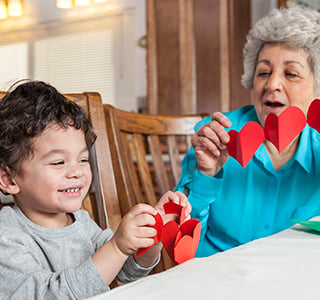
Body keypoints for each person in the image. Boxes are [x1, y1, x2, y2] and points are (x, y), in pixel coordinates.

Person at [0, 80, 191, 299]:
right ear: (8, 177)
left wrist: (152, 233)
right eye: (58, 162)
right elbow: (48, 295)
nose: (77, 172)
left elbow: (126, 271)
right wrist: (116, 248)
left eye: (83, 159)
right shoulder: (7, 237)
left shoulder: (81, 222)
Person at [175, 5, 320, 257]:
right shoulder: (217, 137)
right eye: (263, 72)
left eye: (291, 74)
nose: (272, 84)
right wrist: (205, 174)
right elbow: (183, 245)